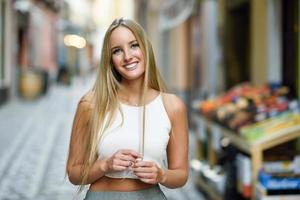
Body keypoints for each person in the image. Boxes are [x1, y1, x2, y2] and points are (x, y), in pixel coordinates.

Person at [66, 18, 189, 200]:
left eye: (134, 45)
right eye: (117, 51)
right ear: (110, 60)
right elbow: (74, 174)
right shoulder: (90, 104)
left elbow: (181, 174)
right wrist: (105, 165)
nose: (127, 56)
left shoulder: (172, 106)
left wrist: (162, 174)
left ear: (146, 49)